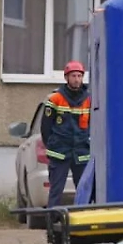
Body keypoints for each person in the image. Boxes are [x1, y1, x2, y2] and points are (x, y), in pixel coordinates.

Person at [42, 61, 92, 208]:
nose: (77, 79)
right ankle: (53, 221)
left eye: (79, 76)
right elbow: (45, 127)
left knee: (85, 193)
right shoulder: (55, 99)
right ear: (66, 78)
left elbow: (93, 125)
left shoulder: (89, 99)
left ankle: (84, 220)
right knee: (56, 192)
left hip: (81, 153)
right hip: (59, 153)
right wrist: (52, 145)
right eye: (73, 76)